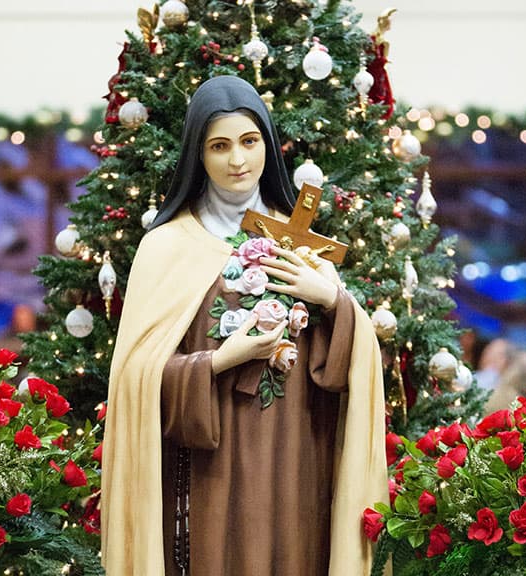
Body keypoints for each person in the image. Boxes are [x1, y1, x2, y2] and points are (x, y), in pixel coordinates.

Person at [100, 75, 387, 576]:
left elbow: (347, 374)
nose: (238, 160)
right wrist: (218, 362)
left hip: (297, 456)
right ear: (199, 155)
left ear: (267, 146)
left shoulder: (301, 245)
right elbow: (135, 380)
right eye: (220, 146)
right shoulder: (166, 247)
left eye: (250, 141)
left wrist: (332, 301)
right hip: (209, 466)